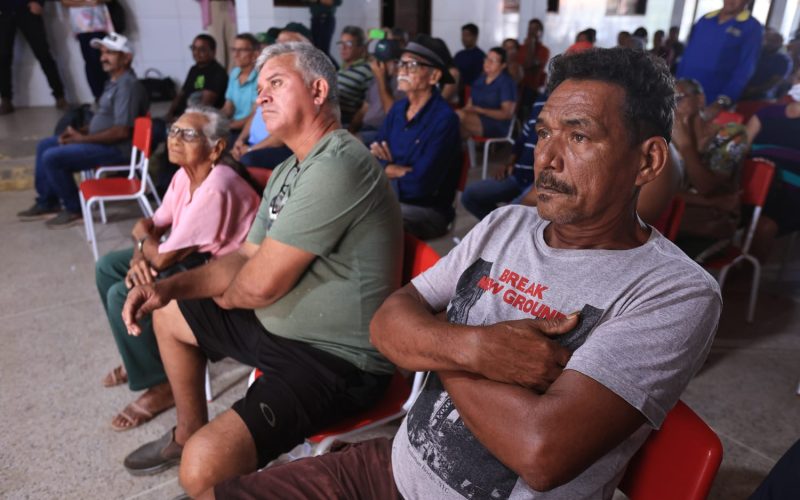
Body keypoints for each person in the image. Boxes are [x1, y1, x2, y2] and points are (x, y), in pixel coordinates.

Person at [215, 47, 721, 499]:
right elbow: (385, 322)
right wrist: (478, 349)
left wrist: (433, 342)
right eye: (544, 132)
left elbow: (540, 450)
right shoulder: (507, 224)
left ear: (648, 160)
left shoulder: (673, 292)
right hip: (393, 468)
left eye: (579, 135)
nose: (547, 157)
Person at [120, 42, 403, 498]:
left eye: (276, 83)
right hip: (276, 331)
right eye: (261, 87)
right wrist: (166, 288)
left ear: (317, 90)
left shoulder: (338, 164)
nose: (261, 96)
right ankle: (186, 432)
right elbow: (246, 258)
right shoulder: (291, 168)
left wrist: (227, 295)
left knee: (201, 471)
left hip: (335, 360)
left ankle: (218, 462)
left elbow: (256, 286)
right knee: (168, 312)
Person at [96, 107, 261, 431]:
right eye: (174, 131)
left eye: (188, 134)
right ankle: (142, 358)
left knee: (123, 293)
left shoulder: (217, 184)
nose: (174, 139)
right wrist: (138, 255)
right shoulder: (185, 174)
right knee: (106, 268)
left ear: (216, 148)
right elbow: (151, 224)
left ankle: (161, 385)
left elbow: (161, 255)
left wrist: (143, 248)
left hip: (222, 272)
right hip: (185, 253)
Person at [17, 32, 148, 228]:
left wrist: (81, 139)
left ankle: (74, 210)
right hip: (102, 142)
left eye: (110, 53)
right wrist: (81, 132)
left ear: (126, 57)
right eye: (102, 52)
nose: (103, 57)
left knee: (53, 157)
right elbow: (104, 121)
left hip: (116, 149)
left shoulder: (127, 86)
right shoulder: (114, 82)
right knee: (46, 145)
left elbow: (121, 132)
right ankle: (47, 202)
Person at [370, 35, 460, 240]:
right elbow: (373, 154)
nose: (402, 70)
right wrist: (390, 169)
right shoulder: (398, 110)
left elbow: (421, 186)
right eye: (401, 63)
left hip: (428, 211)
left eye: (411, 65)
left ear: (434, 76)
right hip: (389, 197)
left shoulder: (445, 120)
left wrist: (382, 171)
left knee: (370, 220)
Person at [672, 78, 749, 257]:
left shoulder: (730, 134)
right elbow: (662, 191)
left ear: (700, 100)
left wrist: (685, 146)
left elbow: (705, 186)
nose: (672, 106)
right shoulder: (666, 137)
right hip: (675, 216)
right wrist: (713, 201)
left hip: (709, 224)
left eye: (678, 99)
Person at [461, 100, 542, 220]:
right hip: (517, 175)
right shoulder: (539, 103)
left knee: (512, 216)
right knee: (470, 196)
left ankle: (504, 227)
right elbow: (521, 140)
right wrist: (508, 162)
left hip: (536, 182)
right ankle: (499, 227)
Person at [677, 0, 763, 108]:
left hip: (713, 100)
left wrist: (723, 100)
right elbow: (686, 56)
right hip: (683, 92)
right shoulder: (705, 19)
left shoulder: (752, 27)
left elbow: (746, 68)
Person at [0, 0, 66, 114]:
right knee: (3, 58)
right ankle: (6, 99)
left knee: (43, 54)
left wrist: (40, 3)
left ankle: (60, 96)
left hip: (27, 10)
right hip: (4, 12)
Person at [348, 38, 403, 145]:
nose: (379, 65)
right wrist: (350, 130)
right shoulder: (375, 80)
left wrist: (381, 79)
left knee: (351, 142)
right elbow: (363, 110)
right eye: (378, 60)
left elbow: (392, 113)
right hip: (365, 128)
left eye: (384, 62)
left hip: (381, 131)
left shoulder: (400, 83)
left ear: (396, 62)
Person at [165, 34, 229, 122]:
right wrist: (169, 113)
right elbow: (181, 94)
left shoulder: (218, 72)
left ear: (213, 52)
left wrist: (181, 121)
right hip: (181, 117)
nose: (196, 52)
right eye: (194, 48)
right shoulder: (193, 69)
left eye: (202, 49)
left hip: (198, 121)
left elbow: (205, 105)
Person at [456, 47, 516, 139]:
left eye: (493, 60)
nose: (488, 63)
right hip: (474, 119)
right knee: (451, 122)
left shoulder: (506, 83)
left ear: (503, 65)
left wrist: (482, 111)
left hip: (497, 124)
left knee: (459, 118)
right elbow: (469, 106)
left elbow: (507, 114)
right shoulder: (479, 80)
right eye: (487, 59)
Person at [60, 0, 113, 101]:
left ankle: (107, 91)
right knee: (89, 59)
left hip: (99, 23)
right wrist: (87, 2)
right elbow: (65, 2)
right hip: (81, 25)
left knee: (99, 57)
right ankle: (98, 94)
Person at [221, 33, 260, 139]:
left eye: (242, 50)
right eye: (234, 49)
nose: (236, 55)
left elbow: (256, 115)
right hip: (233, 127)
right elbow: (228, 107)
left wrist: (229, 126)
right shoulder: (234, 73)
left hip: (250, 130)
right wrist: (215, 119)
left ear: (255, 54)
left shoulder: (260, 77)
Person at [742, 29, 794, 101]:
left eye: (773, 41)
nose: (768, 43)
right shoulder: (755, 52)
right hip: (742, 87)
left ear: (780, 43)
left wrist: (753, 90)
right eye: (767, 39)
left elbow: (774, 82)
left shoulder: (783, 60)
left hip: (761, 95)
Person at [336, 25, 373, 125]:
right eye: (341, 43)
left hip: (346, 123)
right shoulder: (342, 67)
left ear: (360, 48)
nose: (343, 48)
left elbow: (367, 105)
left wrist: (352, 129)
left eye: (348, 43)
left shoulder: (367, 70)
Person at [517, 18, 549, 118]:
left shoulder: (544, 50)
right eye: (530, 29)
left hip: (531, 89)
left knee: (527, 115)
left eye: (535, 29)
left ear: (541, 32)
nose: (532, 32)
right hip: (518, 87)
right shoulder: (521, 48)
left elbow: (528, 64)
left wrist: (531, 44)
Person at [197, 0, 236, 69]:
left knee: (232, 44)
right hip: (213, 5)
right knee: (218, 47)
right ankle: (220, 76)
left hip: (229, 5)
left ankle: (232, 76)